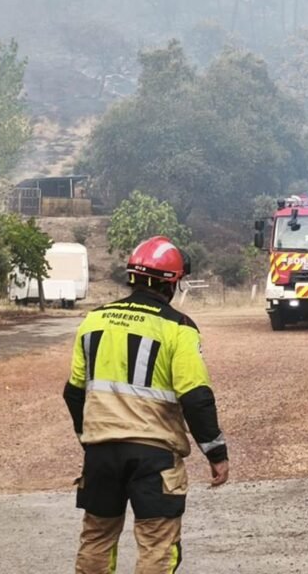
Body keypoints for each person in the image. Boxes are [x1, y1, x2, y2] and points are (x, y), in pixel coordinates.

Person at [63, 235, 230, 573]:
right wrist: (216, 453)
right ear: (173, 284)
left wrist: (89, 434)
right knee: (157, 543)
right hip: (154, 456)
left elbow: (74, 392)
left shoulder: (93, 320)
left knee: (97, 538)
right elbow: (196, 397)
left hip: (101, 453)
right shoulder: (178, 328)